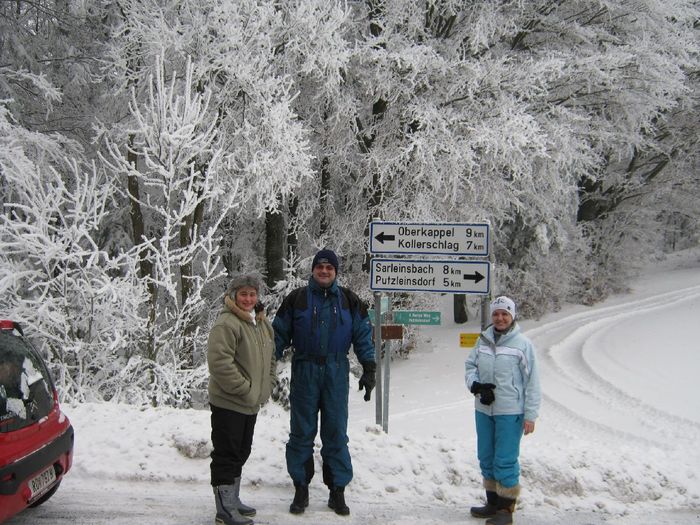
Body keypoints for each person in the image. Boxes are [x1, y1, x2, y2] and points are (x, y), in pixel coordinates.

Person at [272, 248, 376, 517]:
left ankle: (337, 491)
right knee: (301, 432)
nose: (325, 271)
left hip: (336, 370)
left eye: (330, 268)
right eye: (320, 267)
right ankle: (301, 487)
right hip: (305, 368)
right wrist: (265, 365)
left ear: (336, 272)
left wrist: (369, 367)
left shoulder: (350, 301)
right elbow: (278, 335)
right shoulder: (296, 299)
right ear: (313, 270)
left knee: (335, 433)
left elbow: (363, 335)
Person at [464, 296, 541, 525]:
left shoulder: (523, 345)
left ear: (512, 316)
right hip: (484, 409)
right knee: (486, 457)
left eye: (504, 314)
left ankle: (506, 511)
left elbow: (532, 382)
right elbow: (470, 366)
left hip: (510, 411)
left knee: (505, 460)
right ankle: (492, 503)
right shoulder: (483, 341)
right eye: (496, 314)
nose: (500, 318)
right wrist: (476, 386)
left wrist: (530, 415)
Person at [207, 273, 277, 525]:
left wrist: (267, 385)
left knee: (241, 451)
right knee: (227, 452)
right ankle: (223, 509)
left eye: (252, 294)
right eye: (243, 294)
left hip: (250, 403)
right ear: (234, 295)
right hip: (230, 401)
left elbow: (271, 358)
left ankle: (232, 499)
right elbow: (219, 364)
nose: (248, 298)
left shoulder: (261, 323)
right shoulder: (227, 323)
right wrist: (247, 389)